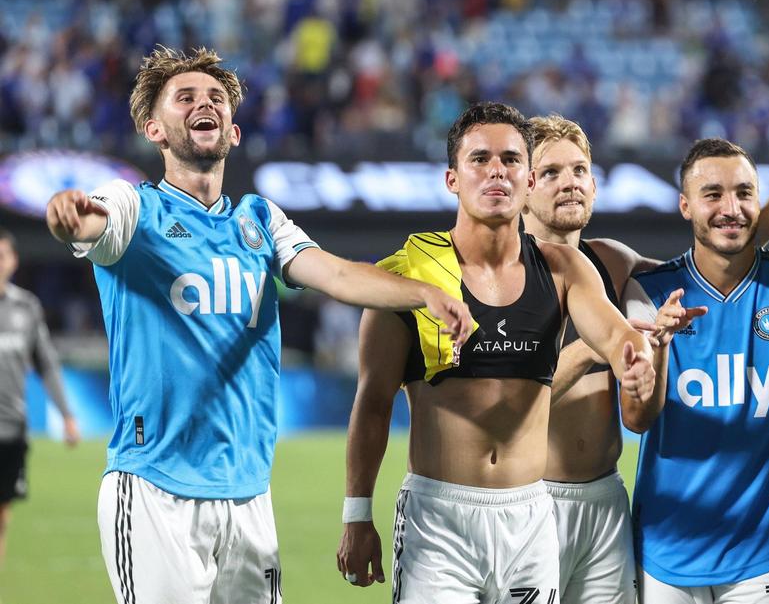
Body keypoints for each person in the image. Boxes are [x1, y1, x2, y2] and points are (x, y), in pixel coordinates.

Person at [44, 46, 473, 604]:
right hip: (155, 488)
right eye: (186, 98)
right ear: (154, 128)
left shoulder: (259, 219)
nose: (206, 104)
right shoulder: (135, 208)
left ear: (235, 132)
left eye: (216, 98)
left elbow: (337, 275)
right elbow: (94, 220)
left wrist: (422, 294)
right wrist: (72, 215)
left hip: (248, 493)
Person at [336, 102, 655, 603]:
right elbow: (373, 401)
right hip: (438, 520)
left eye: (510, 159)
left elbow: (614, 333)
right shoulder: (408, 275)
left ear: (528, 180)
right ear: (452, 179)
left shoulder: (563, 267)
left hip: (530, 519)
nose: (496, 171)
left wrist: (632, 359)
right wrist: (357, 515)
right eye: (479, 159)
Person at [623, 138, 769, 602]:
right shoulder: (650, 293)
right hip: (666, 551)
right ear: (685, 206)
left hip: (761, 557)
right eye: (712, 194)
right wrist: (657, 346)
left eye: (744, 193)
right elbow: (636, 419)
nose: (730, 208)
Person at [520, 114, 656, 603]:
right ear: (523, 186)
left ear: (595, 187)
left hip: (606, 500)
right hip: (529, 502)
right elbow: (508, 403)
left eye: (579, 170)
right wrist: (594, 348)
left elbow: (707, 273)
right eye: (551, 172)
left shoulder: (612, 261)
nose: (570, 183)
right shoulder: (501, 277)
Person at [0, 227, 80, 566]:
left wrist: (67, 415)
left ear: (14, 261)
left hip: (10, 430)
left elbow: (47, 365)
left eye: (1, 256)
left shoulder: (27, 308)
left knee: (2, 517)